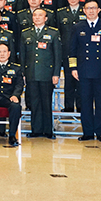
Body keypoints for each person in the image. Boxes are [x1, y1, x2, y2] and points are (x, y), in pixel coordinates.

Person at [69, 0, 101, 142]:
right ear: (84, 11)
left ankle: (100, 131)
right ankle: (88, 132)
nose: (91, 11)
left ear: (99, 10)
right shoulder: (78, 27)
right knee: (85, 102)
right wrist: (73, 67)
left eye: (94, 8)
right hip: (83, 70)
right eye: (88, 8)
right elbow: (72, 49)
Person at [19, 9, 62, 138]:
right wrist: (23, 73)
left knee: (46, 102)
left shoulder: (53, 33)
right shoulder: (25, 33)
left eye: (40, 15)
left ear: (46, 18)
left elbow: (57, 55)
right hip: (31, 73)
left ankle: (48, 131)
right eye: (35, 15)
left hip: (47, 73)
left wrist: (56, 73)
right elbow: (22, 55)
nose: (37, 17)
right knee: (34, 102)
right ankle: (36, 130)